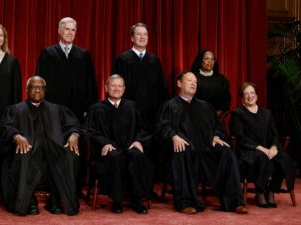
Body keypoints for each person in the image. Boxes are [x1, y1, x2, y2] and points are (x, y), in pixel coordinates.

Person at [157, 71, 247, 214]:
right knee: (182, 151)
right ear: (179, 83)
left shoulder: (205, 106)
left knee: (226, 153)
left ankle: (234, 202)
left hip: (206, 149)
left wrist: (216, 136)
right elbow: (162, 127)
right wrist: (173, 136)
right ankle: (186, 202)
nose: (194, 83)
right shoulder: (169, 106)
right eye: (189, 80)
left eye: (195, 82)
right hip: (186, 150)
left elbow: (218, 127)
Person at [0, 76, 83, 216]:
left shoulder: (57, 109)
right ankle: (28, 201)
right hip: (29, 149)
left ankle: (55, 200)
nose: (38, 90)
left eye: (41, 88)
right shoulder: (15, 110)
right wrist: (16, 135)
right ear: (26, 89)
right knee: (22, 155)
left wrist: (74, 134)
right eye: (34, 87)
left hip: (54, 150)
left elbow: (73, 124)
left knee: (70, 155)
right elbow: (5, 127)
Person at [112, 22, 170, 190]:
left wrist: (163, 112)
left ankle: (146, 188)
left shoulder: (154, 61)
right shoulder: (123, 59)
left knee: (148, 148)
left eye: (145, 34)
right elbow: (115, 88)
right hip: (129, 113)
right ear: (132, 37)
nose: (143, 37)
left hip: (151, 112)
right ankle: (127, 188)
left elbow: (162, 88)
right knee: (129, 147)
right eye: (139, 34)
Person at [85, 75, 154, 214]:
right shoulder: (96, 109)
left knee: (137, 157)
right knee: (115, 157)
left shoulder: (132, 107)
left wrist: (138, 140)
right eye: (113, 85)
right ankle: (117, 200)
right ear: (106, 88)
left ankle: (137, 199)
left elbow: (144, 128)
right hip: (108, 149)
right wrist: (104, 143)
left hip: (129, 146)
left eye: (120, 86)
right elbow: (90, 131)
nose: (116, 88)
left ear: (124, 88)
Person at [229, 81, 295, 208]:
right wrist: (261, 148)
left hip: (269, 149)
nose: (250, 96)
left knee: (285, 159)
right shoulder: (237, 113)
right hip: (248, 151)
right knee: (263, 158)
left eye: (252, 93)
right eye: (246, 94)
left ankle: (271, 191)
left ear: (257, 96)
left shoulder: (267, 113)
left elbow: (275, 134)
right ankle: (260, 192)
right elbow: (240, 136)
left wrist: (274, 147)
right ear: (242, 98)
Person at [35, 17, 97, 123]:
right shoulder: (48, 53)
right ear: (59, 31)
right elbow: (39, 81)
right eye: (67, 29)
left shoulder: (83, 55)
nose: (70, 33)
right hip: (53, 107)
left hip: (77, 108)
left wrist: (89, 108)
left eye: (73, 30)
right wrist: (39, 103)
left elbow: (90, 84)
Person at [191, 49, 231, 116]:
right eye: (206, 59)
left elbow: (226, 99)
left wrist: (218, 113)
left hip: (217, 117)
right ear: (201, 60)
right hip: (197, 116)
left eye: (212, 59)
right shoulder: (193, 77)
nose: (210, 62)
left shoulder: (222, 79)